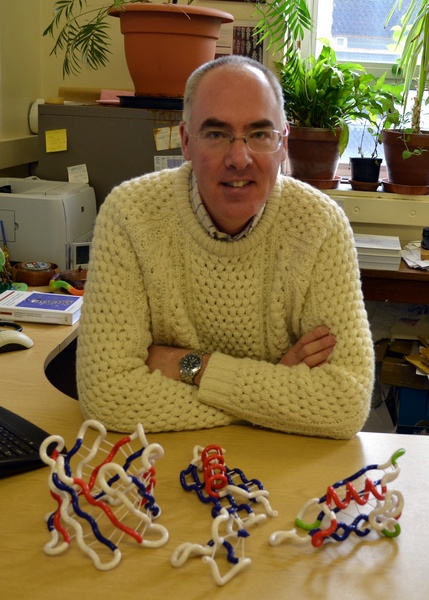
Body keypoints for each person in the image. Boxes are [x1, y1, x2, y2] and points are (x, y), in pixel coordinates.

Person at [76, 55, 374, 439]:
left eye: (259, 134)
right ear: (186, 141)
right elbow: (108, 396)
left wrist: (190, 366)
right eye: (216, 134)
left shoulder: (319, 226)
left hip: (283, 469)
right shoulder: (131, 215)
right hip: (166, 463)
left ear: (283, 144)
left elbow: (344, 403)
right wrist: (275, 394)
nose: (239, 158)